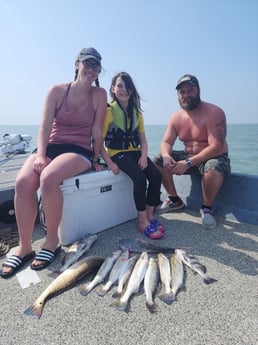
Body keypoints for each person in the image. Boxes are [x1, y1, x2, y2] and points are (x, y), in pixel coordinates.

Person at [0, 47, 107, 278]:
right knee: (22, 182)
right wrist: (40, 155)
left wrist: (97, 158)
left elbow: (97, 130)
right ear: (77, 64)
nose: (91, 69)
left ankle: (51, 241)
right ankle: (25, 246)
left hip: (79, 149)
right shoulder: (56, 91)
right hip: (51, 146)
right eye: (87, 64)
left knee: (49, 178)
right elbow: (45, 127)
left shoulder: (99, 95)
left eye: (96, 66)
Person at [154, 74, 231, 229]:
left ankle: (206, 208)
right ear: (178, 95)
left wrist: (187, 163)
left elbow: (216, 146)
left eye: (190, 90)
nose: (186, 95)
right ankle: (175, 200)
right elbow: (166, 142)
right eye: (182, 92)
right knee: (157, 160)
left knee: (213, 168)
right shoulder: (176, 117)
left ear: (198, 91)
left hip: (214, 156)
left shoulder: (214, 112)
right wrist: (167, 156)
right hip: (189, 157)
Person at [100, 72, 164, 240]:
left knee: (156, 175)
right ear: (113, 89)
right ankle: (142, 221)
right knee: (140, 179)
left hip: (135, 151)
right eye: (119, 85)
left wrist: (144, 156)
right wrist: (109, 163)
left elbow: (142, 139)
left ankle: (150, 215)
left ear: (132, 90)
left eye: (127, 86)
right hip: (116, 153)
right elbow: (98, 142)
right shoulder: (108, 111)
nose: (123, 89)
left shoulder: (137, 112)